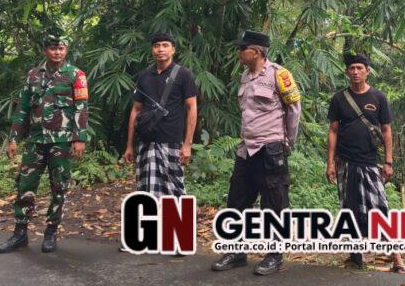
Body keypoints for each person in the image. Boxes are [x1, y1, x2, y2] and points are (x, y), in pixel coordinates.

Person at [211, 30, 301, 276]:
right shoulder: (245, 76)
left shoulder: (279, 75)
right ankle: (236, 251)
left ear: (257, 52)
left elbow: (294, 109)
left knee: (274, 204)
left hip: (270, 148)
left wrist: (287, 142)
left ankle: (274, 255)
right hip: (246, 149)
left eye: (243, 49)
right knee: (237, 201)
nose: (239, 53)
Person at [0, 34, 89, 254]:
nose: (57, 52)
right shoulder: (33, 75)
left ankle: (51, 232)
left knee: (59, 187)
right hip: (36, 140)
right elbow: (23, 108)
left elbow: (81, 107)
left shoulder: (76, 75)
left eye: (61, 48)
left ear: (66, 50)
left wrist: (79, 138)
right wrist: (14, 138)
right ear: (45, 50)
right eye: (53, 48)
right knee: (25, 185)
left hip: (62, 141)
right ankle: (20, 233)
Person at [326, 52, 405, 273]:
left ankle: (397, 259)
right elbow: (333, 130)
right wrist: (330, 163)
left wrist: (389, 161)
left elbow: (386, 130)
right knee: (349, 208)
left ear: (367, 71)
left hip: (370, 162)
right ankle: (356, 258)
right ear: (347, 72)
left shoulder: (378, 97)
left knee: (381, 208)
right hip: (345, 162)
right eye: (352, 68)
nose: (355, 72)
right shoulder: (339, 98)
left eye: (359, 68)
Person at [123, 33, 198, 198]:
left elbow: (192, 107)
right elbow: (136, 110)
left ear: (173, 50)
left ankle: (174, 216)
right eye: (157, 46)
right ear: (152, 50)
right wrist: (129, 145)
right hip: (146, 141)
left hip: (171, 141)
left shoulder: (184, 74)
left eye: (165, 45)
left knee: (174, 189)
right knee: (146, 189)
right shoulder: (144, 76)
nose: (160, 49)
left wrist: (187, 144)